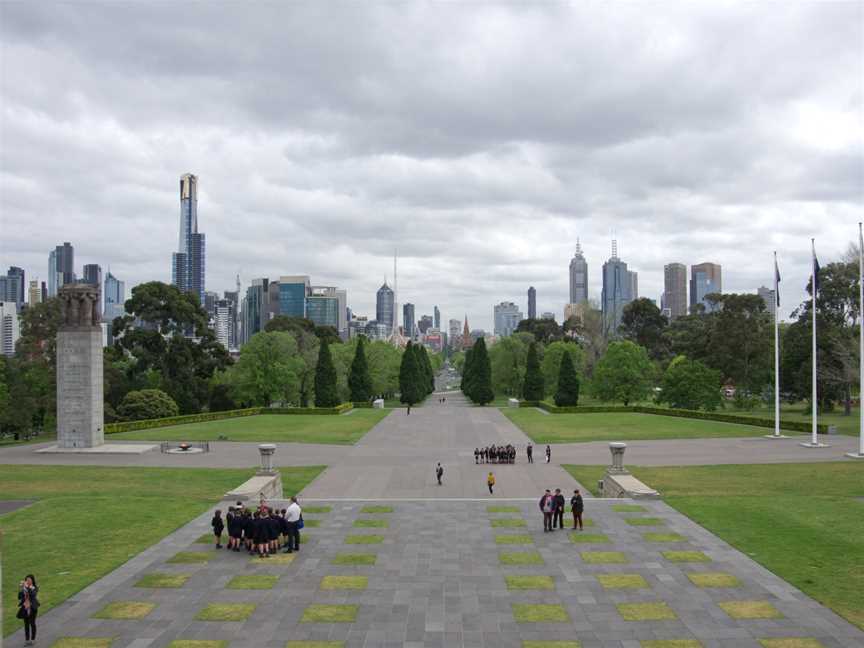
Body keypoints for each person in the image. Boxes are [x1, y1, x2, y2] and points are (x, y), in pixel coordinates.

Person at [18, 574, 39, 645]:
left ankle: (33, 639)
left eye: (29, 580)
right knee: (26, 624)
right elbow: (19, 597)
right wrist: (22, 589)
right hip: (25, 607)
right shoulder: (24, 587)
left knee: (32, 623)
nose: (28, 581)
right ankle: (27, 640)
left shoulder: (34, 587)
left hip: (32, 607)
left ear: (32, 581)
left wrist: (27, 587)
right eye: (26, 580)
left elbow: (33, 594)